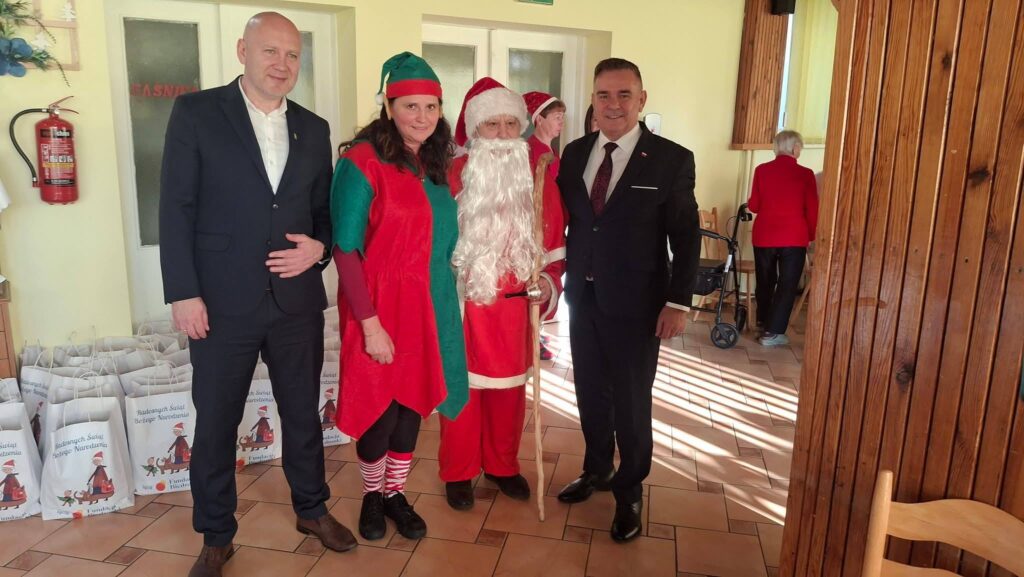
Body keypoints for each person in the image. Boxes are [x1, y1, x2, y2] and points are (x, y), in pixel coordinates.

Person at [160, 12, 355, 577]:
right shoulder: (197, 113)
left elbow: (323, 212)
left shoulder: (314, 128)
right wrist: (183, 293)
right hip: (221, 303)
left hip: (296, 301)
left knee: (302, 413)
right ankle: (216, 535)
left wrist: (319, 249)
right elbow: (175, 207)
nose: (282, 64)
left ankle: (312, 510)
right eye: (271, 51)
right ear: (243, 50)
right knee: (216, 422)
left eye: (292, 54)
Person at [555, 58, 700, 543]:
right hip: (584, 298)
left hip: (639, 305)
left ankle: (629, 491)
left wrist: (678, 302)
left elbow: (687, 236)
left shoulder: (670, 159)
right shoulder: (575, 154)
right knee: (590, 391)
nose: (613, 104)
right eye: (603, 95)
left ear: (641, 99)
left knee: (632, 401)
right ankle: (597, 468)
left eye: (623, 95)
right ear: (592, 100)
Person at [331, 52, 468, 542]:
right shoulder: (362, 162)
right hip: (379, 306)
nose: (422, 117)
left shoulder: (436, 164)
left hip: (429, 305)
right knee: (378, 412)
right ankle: (372, 494)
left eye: (431, 107)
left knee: (412, 408)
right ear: (389, 107)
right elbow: (346, 249)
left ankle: (394, 494)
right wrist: (370, 325)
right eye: (411, 106)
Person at [438, 79, 566, 510]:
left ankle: (501, 465)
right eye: (491, 124)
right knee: (460, 391)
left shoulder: (538, 174)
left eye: (511, 123)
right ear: (475, 129)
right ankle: (458, 471)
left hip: (515, 306)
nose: (502, 133)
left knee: (510, 393)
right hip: (463, 304)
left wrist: (548, 284)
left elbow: (554, 244)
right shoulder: (452, 175)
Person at [747, 130, 818, 347]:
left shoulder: (761, 170)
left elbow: (754, 206)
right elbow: (812, 210)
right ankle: (773, 332)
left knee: (765, 281)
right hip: (794, 237)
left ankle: (762, 322)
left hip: (764, 236)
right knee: (787, 284)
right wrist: (811, 235)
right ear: (795, 148)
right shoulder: (806, 174)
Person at [524, 90, 568, 362]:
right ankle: (531, 338)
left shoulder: (551, 153)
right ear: (539, 119)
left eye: (562, 117)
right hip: (539, 234)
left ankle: (535, 335)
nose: (561, 122)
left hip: (553, 231)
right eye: (556, 117)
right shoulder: (532, 154)